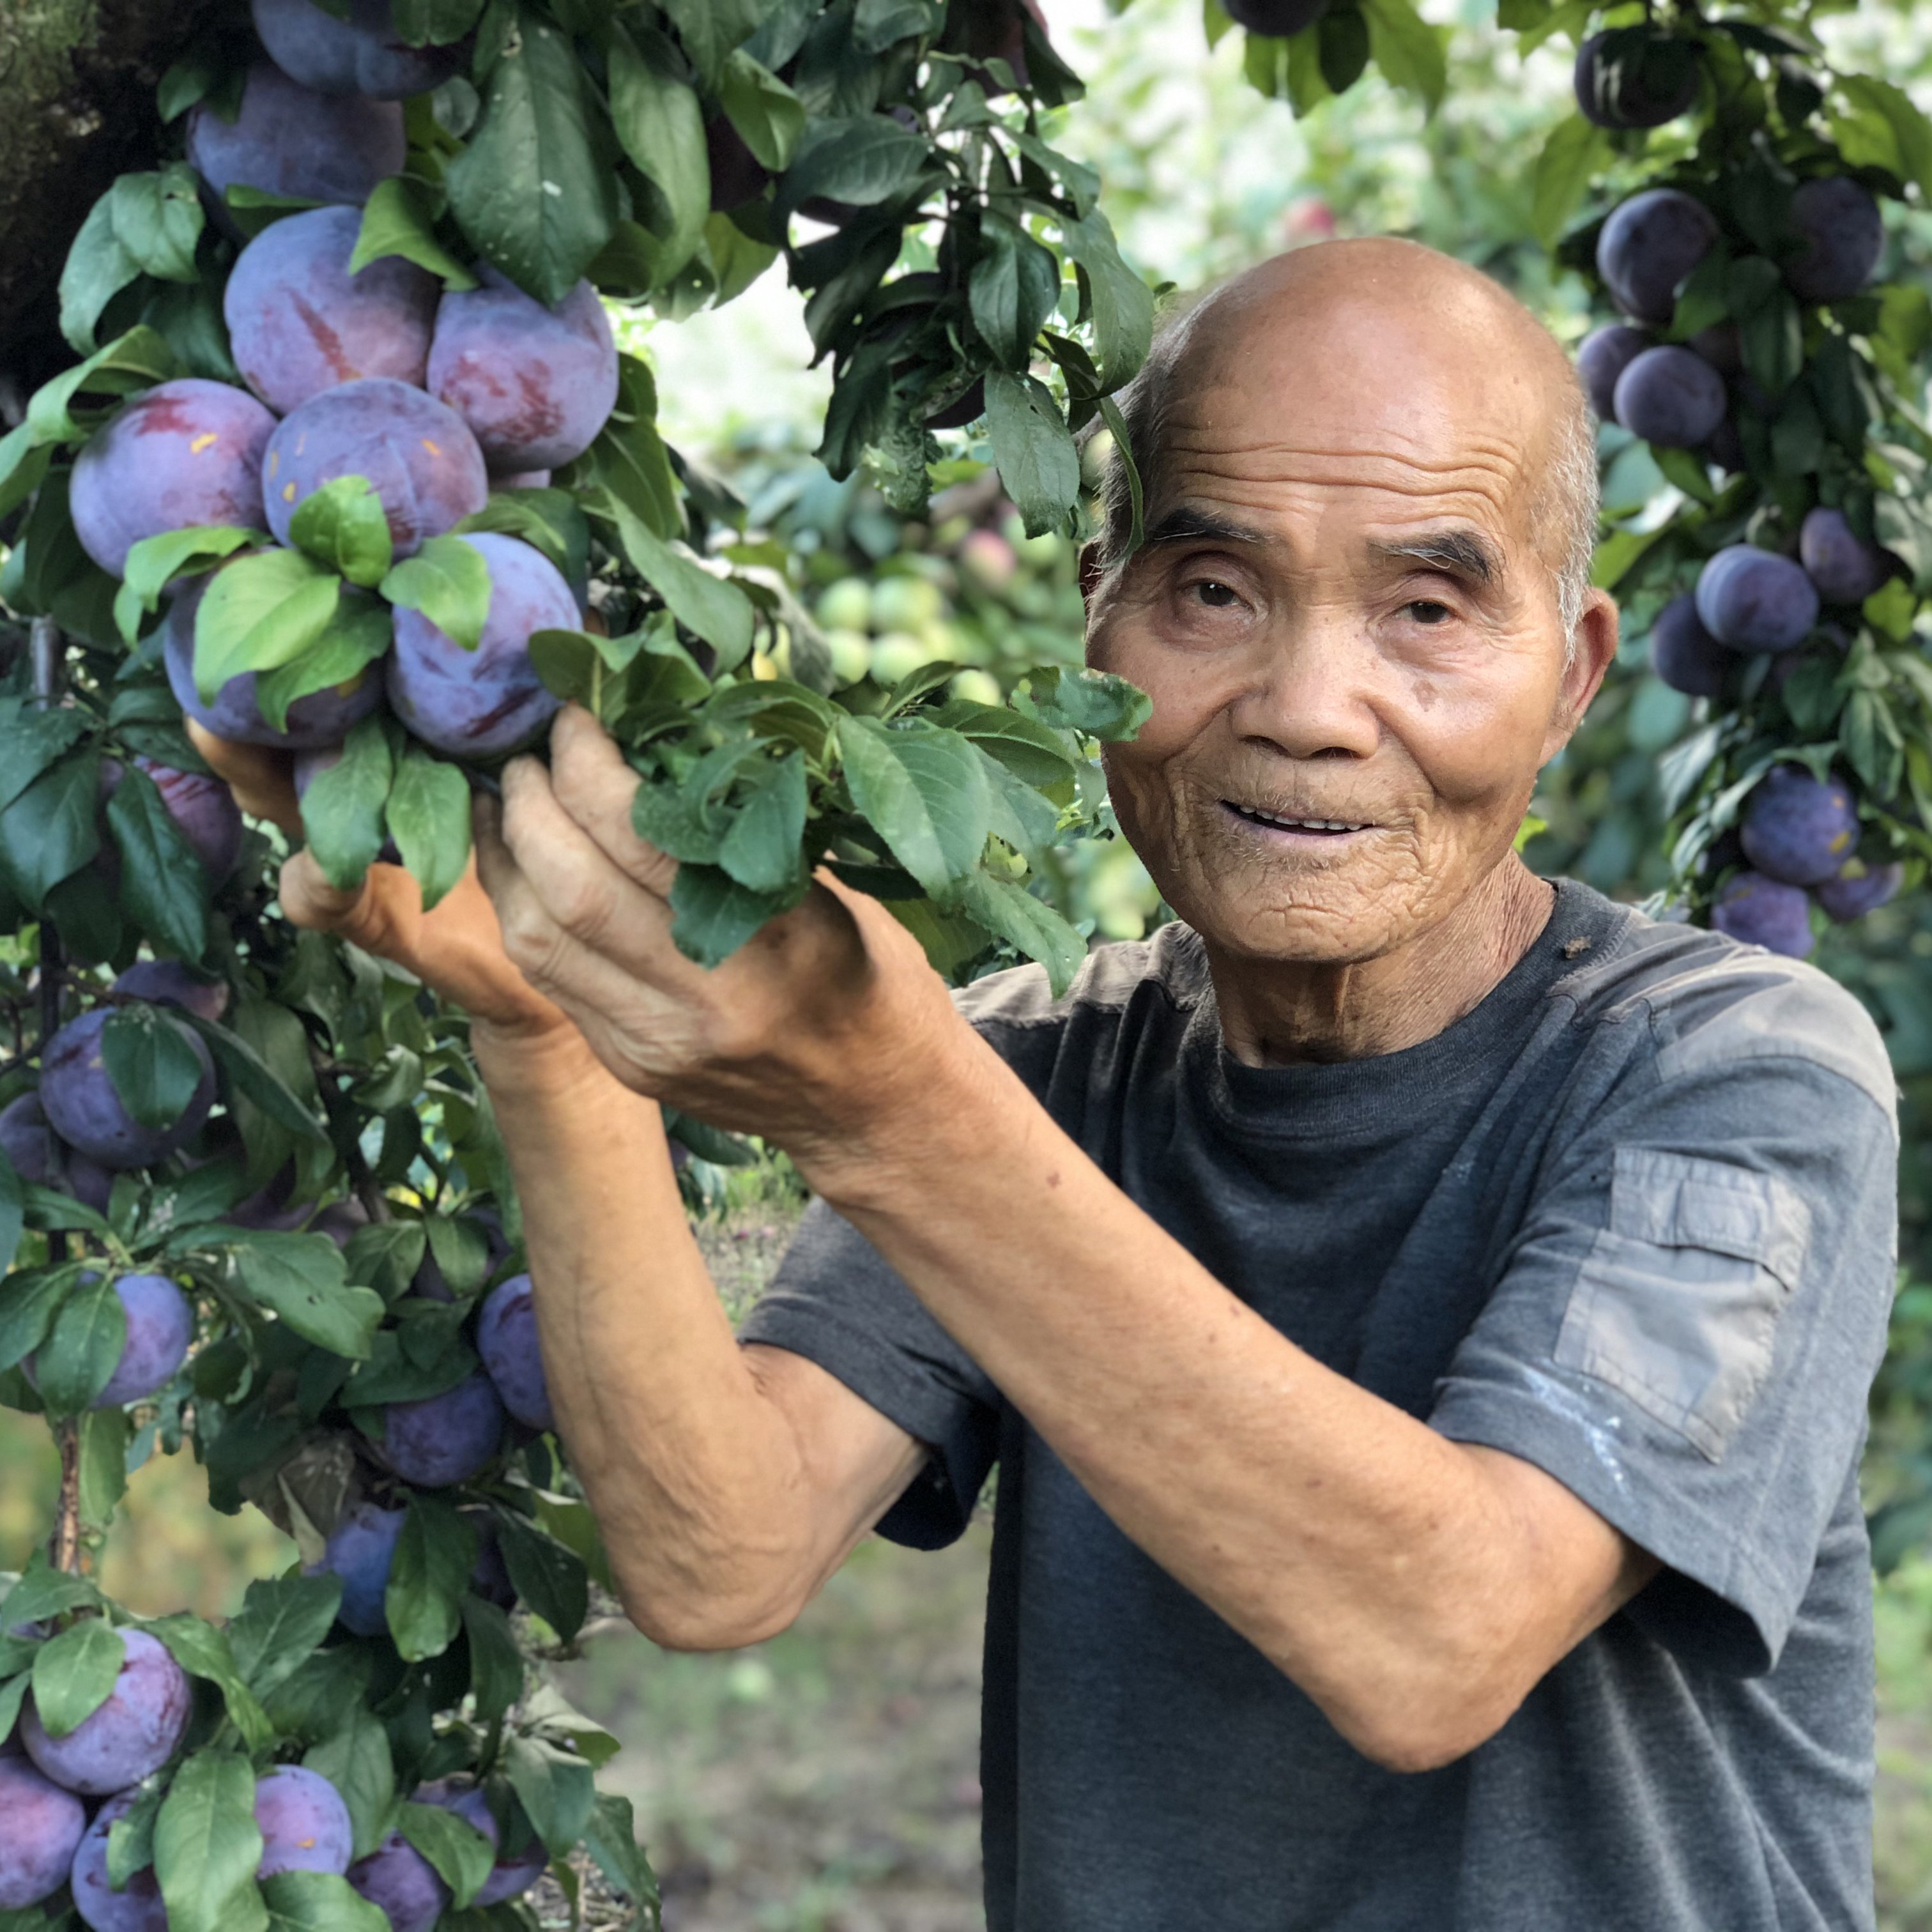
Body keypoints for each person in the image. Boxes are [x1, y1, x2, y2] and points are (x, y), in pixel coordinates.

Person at [199, 239, 1897, 1931]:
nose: (1310, 709)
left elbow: (1437, 1634)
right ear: (1099, 607)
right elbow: (723, 1554)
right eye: (1215, 591)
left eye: (1428, 611)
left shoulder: (1736, 1077)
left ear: (1578, 674)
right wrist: (547, 1026)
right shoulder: (1044, 1068)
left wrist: (888, 1107)